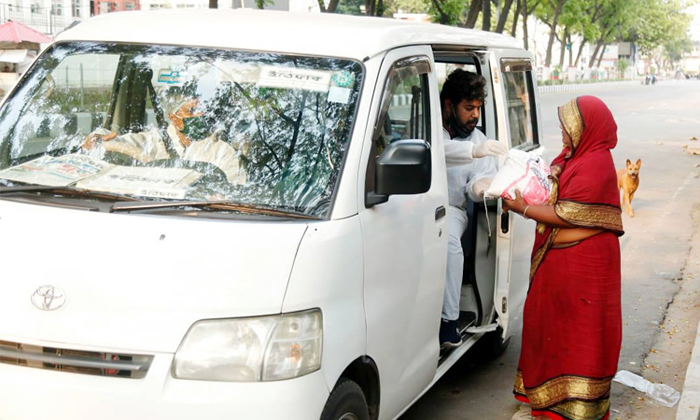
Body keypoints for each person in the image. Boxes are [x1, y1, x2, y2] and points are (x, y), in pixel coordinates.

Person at [503, 95, 624, 420]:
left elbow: (567, 213)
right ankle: (549, 398)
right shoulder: (575, 156)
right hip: (560, 265)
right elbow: (554, 183)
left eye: (567, 127)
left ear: (585, 129)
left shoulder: (595, 164)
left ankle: (578, 405)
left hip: (585, 270)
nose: (562, 132)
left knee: (581, 337)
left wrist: (524, 209)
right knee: (549, 329)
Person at [439, 69, 507, 348]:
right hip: (412, 207)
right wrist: (471, 153)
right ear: (448, 106)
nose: (475, 115)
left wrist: (481, 186)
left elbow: (476, 180)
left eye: (478, 108)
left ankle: (447, 322)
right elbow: (436, 150)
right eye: (469, 108)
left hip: (451, 210)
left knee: (450, 245)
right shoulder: (429, 128)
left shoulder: (480, 141)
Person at [81, 98, 246, 184]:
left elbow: (233, 194)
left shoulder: (223, 151)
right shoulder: (155, 141)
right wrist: (96, 139)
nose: (199, 116)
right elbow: (123, 142)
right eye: (192, 111)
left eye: (203, 111)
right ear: (173, 117)